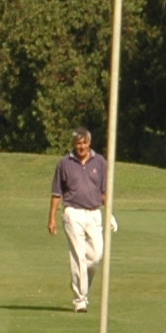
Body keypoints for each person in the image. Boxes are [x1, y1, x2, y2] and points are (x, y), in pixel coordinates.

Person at [48, 127, 107, 313]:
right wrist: (52, 218)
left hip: (94, 213)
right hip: (73, 212)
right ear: (73, 144)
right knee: (78, 257)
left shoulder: (100, 162)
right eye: (78, 143)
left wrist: (111, 213)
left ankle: (80, 284)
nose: (81, 147)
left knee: (96, 256)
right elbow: (56, 193)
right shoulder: (64, 163)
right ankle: (80, 299)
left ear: (89, 143)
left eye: (84, 143)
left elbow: (104, 192)